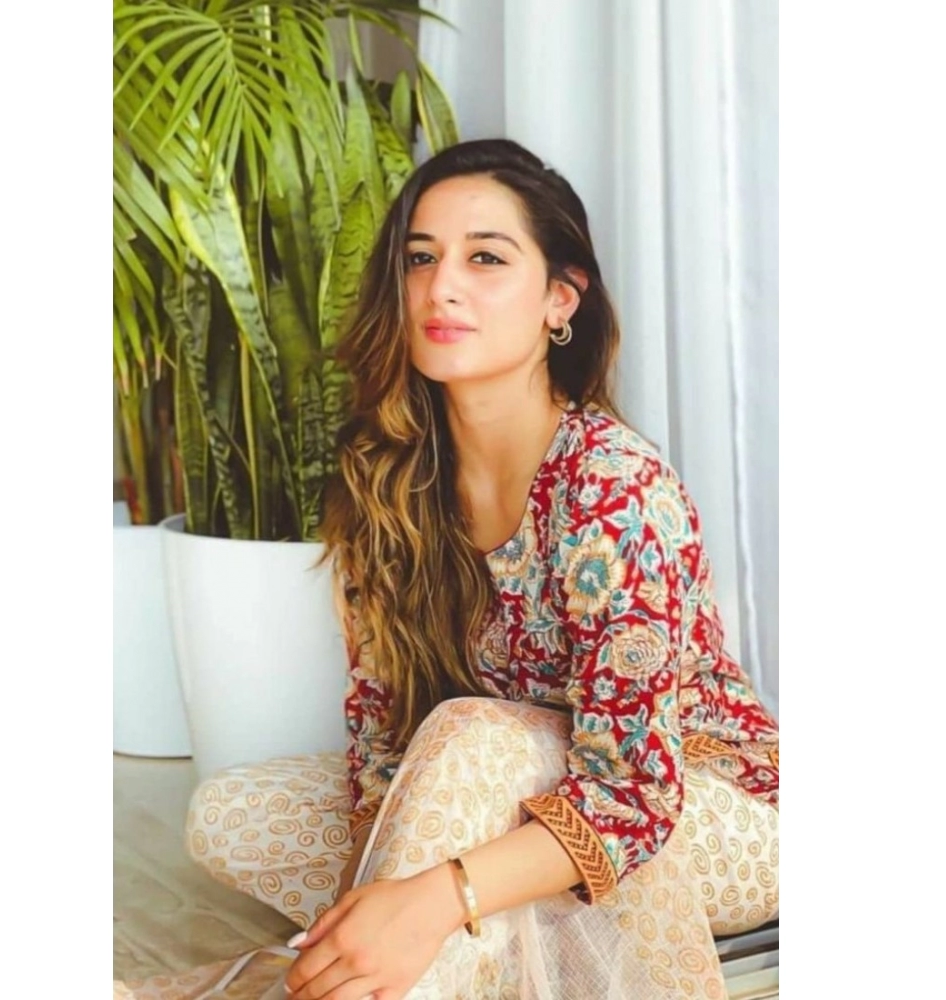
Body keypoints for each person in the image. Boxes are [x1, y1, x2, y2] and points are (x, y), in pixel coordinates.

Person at [177, 138, 779, 1000]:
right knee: (232, 816)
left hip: (702, 810)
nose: (441, 287)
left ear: (559, 298)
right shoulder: (388, 476)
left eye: (486, 258)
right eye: (421, 258)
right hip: (493, 794)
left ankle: (441, 943)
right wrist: (378, 888)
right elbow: (384, 738)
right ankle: (474, 954)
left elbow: (636, 794)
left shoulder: (613, 488)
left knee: (474, 737)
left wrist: (432, 897)